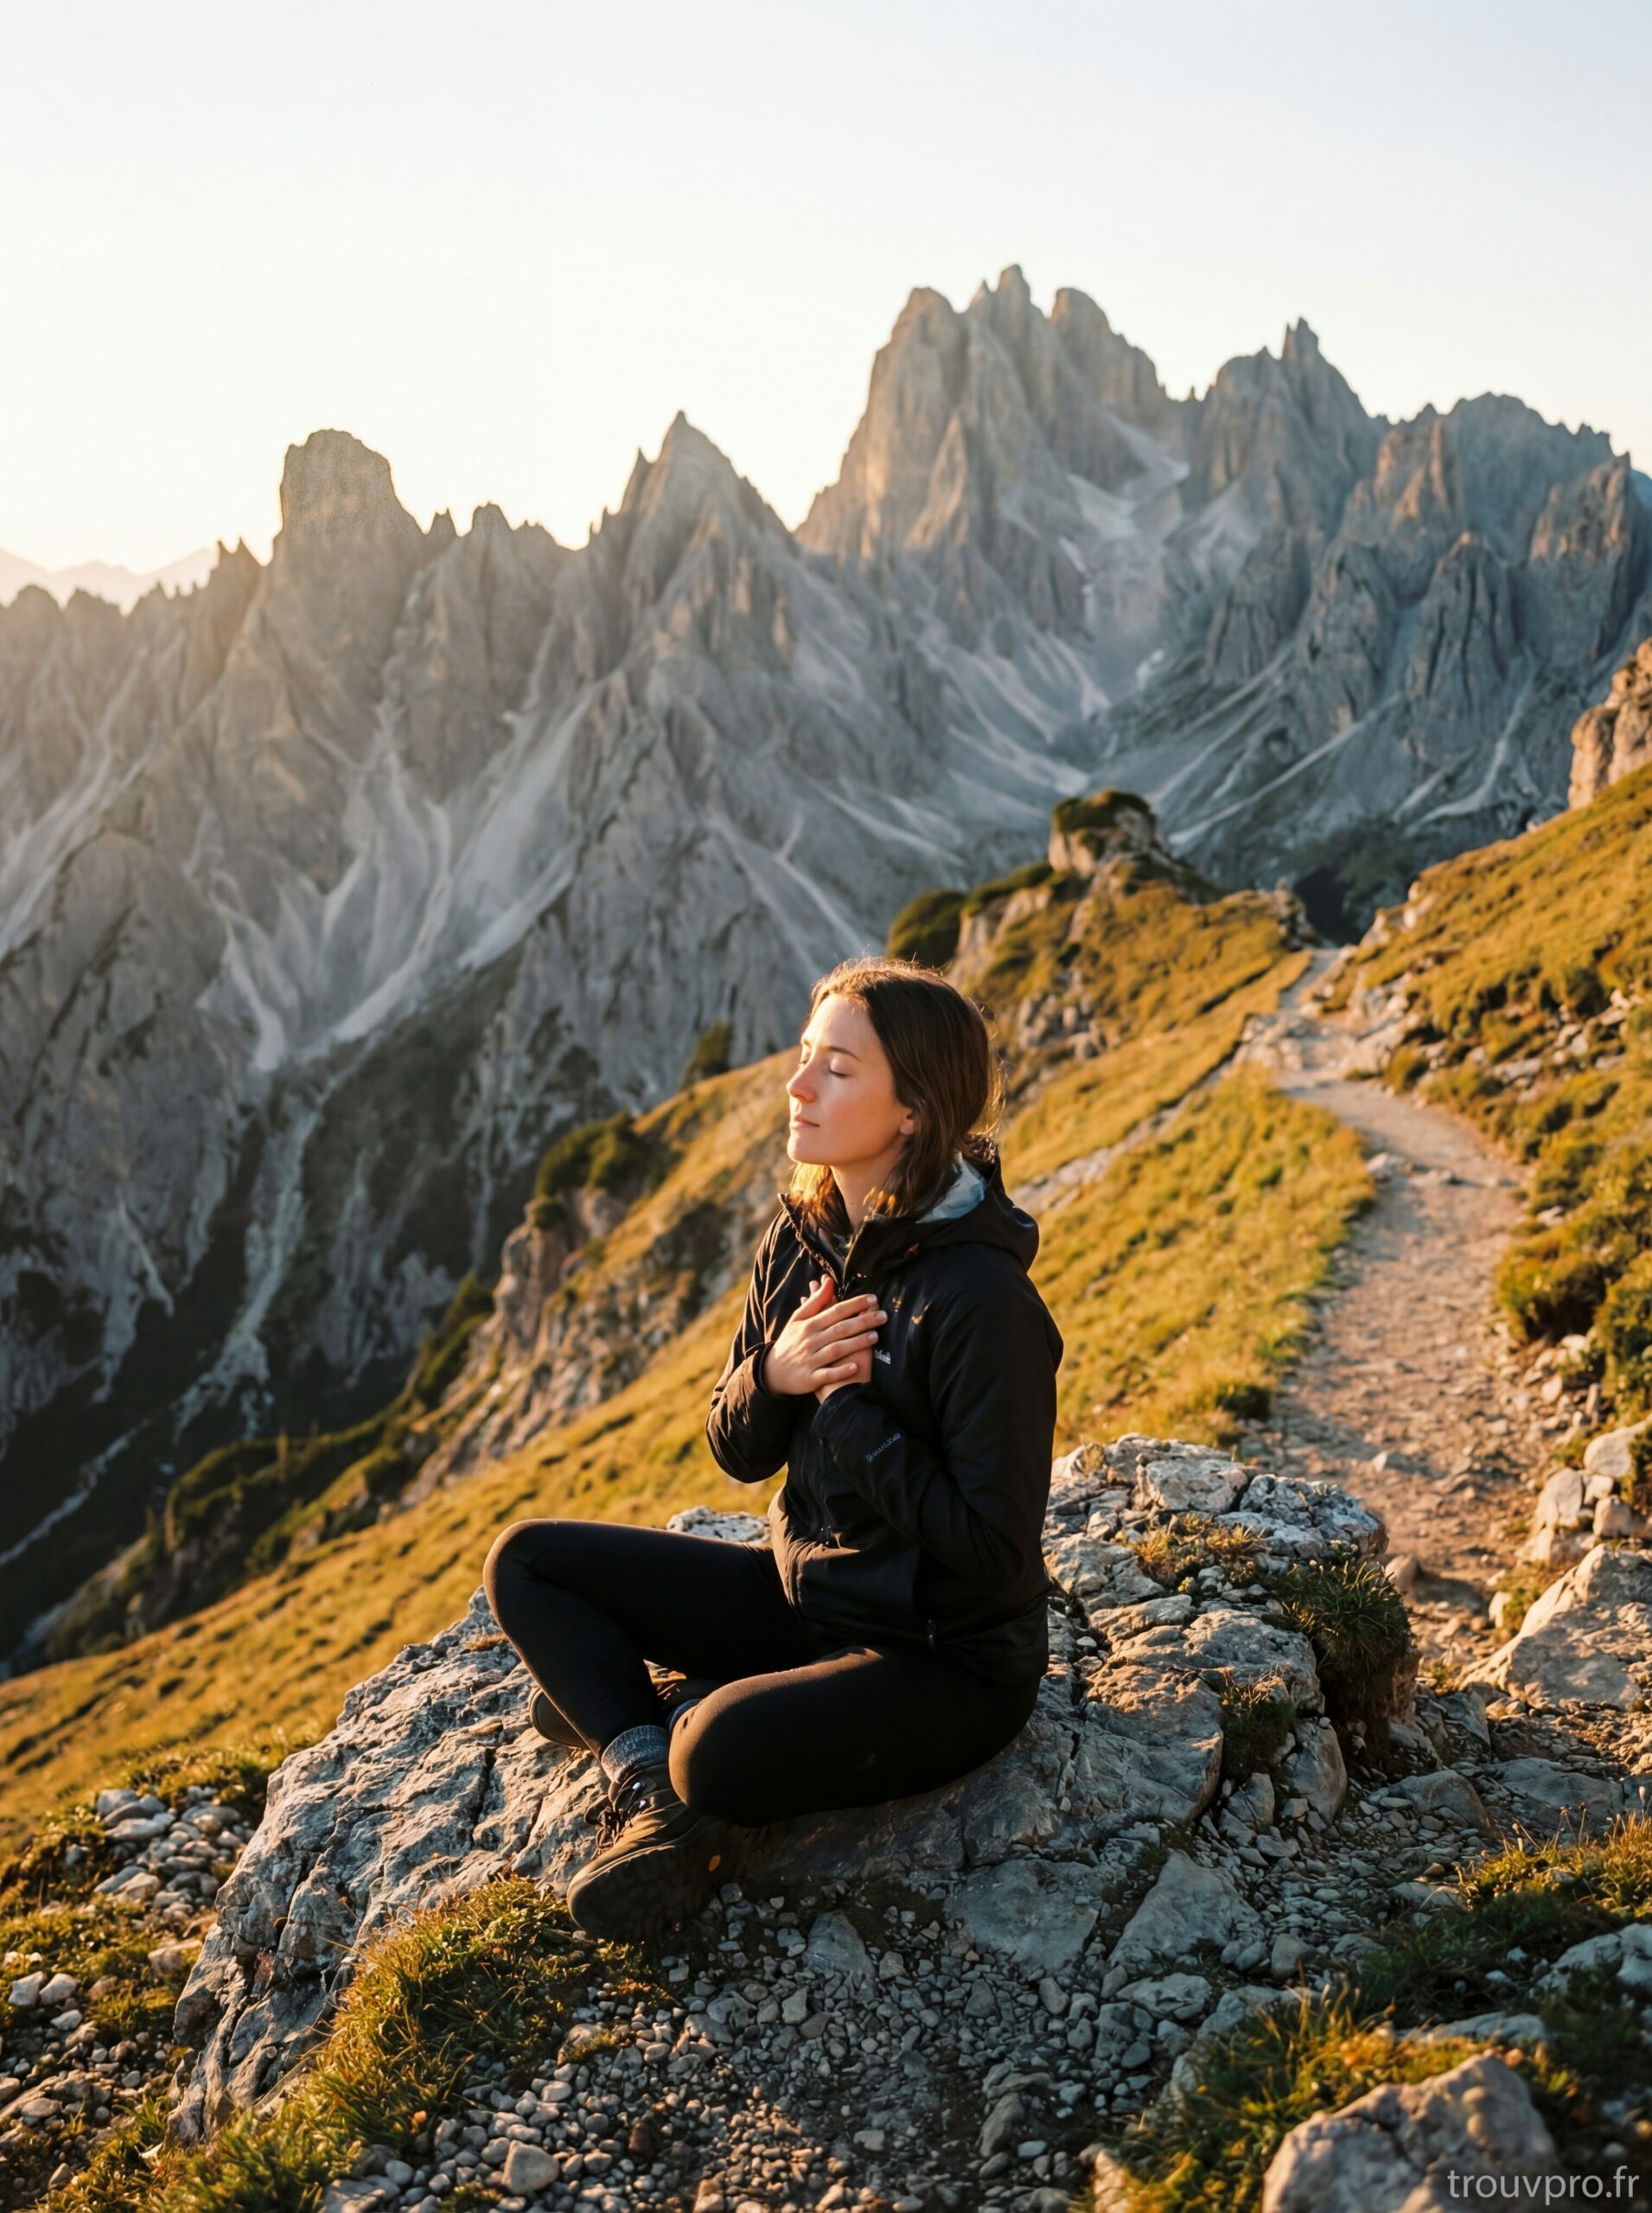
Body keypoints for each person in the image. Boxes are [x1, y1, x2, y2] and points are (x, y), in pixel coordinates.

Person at [482, 953, 1064, 1939]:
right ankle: (644, 1773)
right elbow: (736, 1448)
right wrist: (778, 1375)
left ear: (914, 1109)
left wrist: (847, 1421)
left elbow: (997, 1552)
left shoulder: (983, 1301)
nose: (797, 1085)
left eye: (837, 1069)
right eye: (805, 1056)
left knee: (713, 1748)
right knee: (528, 1560)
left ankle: (680, 1734)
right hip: (812, 1598)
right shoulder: (801, 1235)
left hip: (942, 1658)